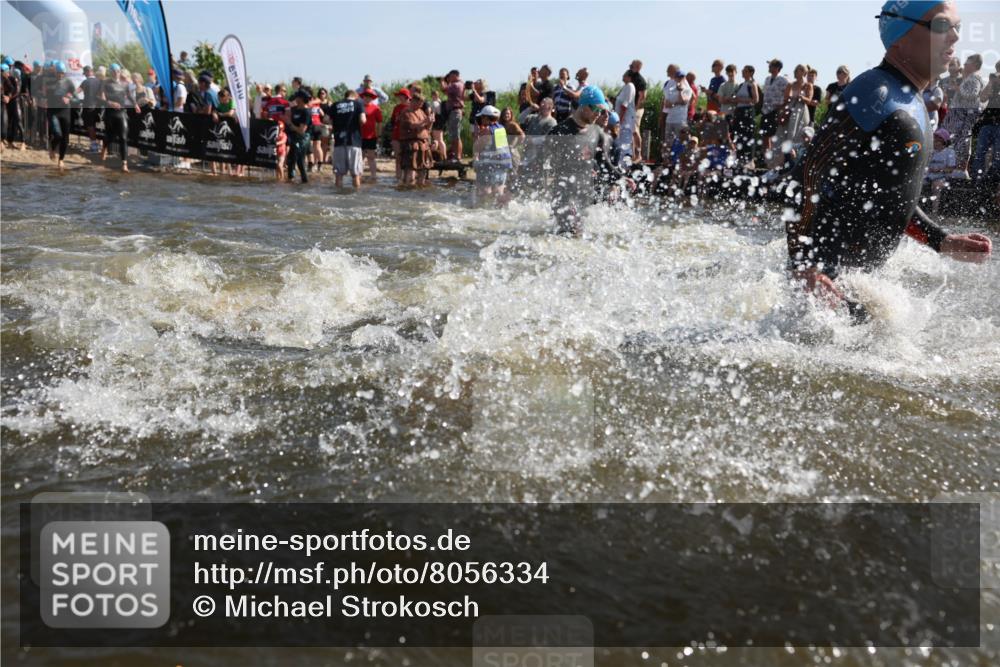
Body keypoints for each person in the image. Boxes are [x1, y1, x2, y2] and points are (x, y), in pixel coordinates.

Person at [786, 0, 991, 322]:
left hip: (861, 287)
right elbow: (804, 176)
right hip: (823, 292)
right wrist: (805, 267)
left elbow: (891, 198)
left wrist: (941, 240)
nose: (954, 37)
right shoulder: (874, 93)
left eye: (957, 27)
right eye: (941, 26)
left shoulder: (913, 102)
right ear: (900, 35)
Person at [544, 85, 629, 235]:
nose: (599, 114)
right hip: (564, 195)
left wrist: (621, 178)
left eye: (602, 111)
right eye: (596, 109)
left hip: (583, 195)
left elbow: (606, 162)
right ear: (584, 106)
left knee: (580, 238)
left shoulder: (595, 133)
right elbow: (543, 162)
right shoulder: (559, 132)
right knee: (570, 233)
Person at [942, 54, 985, 176]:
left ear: (975, 65)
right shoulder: (967, 78)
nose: (965, 64)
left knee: (963, 140)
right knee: (955, 140)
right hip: (958, 113)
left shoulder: (975, 78)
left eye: (968, 61)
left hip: (966, 114)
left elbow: (972, 94)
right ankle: (954, 168)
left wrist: (957, 88)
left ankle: (961, 170)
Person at [772, 64, 813, 167]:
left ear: (804, 72)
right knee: (784, 134)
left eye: (799, 70)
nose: (797, 72)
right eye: (796, 70)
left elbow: (809, 100)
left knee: (798, 134)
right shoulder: (791, 84)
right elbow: (786, 99)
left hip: (801, 110)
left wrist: (802, 97)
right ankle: (782, 161)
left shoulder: (808, 85)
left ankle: (795, 160)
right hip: (790, 110)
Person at [473, 105, 513, 204]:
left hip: (489, 168)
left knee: (483, 195)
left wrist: (477, 135)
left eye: (482, 117)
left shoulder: (486, 131)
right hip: (502, 168)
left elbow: (477, 147)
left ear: (486, 118)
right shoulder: (501, 128)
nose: (481, 119)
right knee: (498, 194)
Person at [330, 89, 366, 190]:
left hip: (339, 142)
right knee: (356, 173)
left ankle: (337, 196)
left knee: (339, 174)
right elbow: (363, 120)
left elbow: (326, 119)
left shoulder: (335, 104)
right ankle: (357, 196)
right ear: (355, 96)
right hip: (354, 141)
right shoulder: (358, 104)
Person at [970, 61, 1000, 183]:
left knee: (998, 155)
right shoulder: (993, 83)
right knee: (979, 153)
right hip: (987, 122)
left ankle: (994, 179)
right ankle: (978, 179)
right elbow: (982, 98)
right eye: (998, 68)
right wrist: (991, 82)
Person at [398, 86, 434, 187]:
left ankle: (419, 191)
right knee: (410, 171)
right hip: (411, 145)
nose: (421, 105)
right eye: (419, 103)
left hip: (423, 145)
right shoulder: (406, 112)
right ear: (413, 101)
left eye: (422, 103)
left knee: (423, 170)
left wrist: (430, 122)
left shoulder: (421, 111)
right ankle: (407, 190)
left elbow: (427, 128)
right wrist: (425, 121)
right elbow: (413, 126)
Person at [45, 61, 74, 170]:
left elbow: (73, 92)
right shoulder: (50, 82)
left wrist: (69, 96)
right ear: (55, 72)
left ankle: (61, 159)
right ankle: (52, 148)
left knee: (65, 138)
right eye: (59, 73)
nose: (60, 75)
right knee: (58, 134)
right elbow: (48, 95)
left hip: (65, 111)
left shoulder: (69, 82)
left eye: (62, 73)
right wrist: (60, 97)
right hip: (53, 111)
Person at [660, 67, 692, 162]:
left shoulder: (687, 89)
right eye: (678, 77)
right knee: (668, 143)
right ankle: (666, 161)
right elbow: (666, 103)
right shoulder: (670, 88)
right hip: (670, 119)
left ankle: (680, 161)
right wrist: (674, 103)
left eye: (681, 77)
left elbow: (684, 101)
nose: (679, 79)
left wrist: (680, 91)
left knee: (681, 142)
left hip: (680, 120)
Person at [761, 59, 789, 162]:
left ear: (777, 68)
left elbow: (788, 96)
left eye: (771, 65)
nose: (769, 67)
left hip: (775, 111)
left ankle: (775, 160)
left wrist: (781, 107)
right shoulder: (767, 79)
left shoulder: (783, 80)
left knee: (774, 136)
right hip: (765, 110)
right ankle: (766, 160)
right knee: (764, 136)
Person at [926, 128, 957, 213]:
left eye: (937, 139)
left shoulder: (949, 152)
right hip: (928, 176)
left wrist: (939, 170)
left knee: (936, 186)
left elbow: (951, 169)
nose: (934, 140)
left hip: (943, 177)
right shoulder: (930, 151)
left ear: (943, 141)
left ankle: (934, 212)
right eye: (934, 138)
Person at [285, 90, 312, 183]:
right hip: (294, 137)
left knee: (300, 161)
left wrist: (289, 124)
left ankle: (305, 182)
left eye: (297, 97)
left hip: (303, 138)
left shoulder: (306, 112)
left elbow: (302, 130)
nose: (295, 98)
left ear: (300, 99)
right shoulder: (295, 109)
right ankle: (290, 180)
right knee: (291, 159)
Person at [440, 70, 465, 160]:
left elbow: (444, 90)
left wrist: (442, 81)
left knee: (456, 135)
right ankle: (456, 155)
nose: (449, 79)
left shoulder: (456, 85)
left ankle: (457, 156)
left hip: (455, 111)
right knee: (455, 135)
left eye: (450, 76)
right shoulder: (461, 84)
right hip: (455, 111)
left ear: (454, 75)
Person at [78, 65, 103, 153]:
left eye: (85, 73)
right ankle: (98, 145)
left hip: (88, 107)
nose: (84, 75)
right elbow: (102, 95)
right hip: (98, 107)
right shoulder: (99, 81)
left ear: (88, 72)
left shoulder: (85, 82)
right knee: (97, 127)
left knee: (90, 126)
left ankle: (94, 146)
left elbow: (77, 91)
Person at [614, 70, 636, 165]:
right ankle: (620, 163)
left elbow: (625, 105)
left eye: (625, 75)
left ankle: (625, 165)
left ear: (629, 77)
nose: (623, 76)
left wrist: (620, 119)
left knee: (625, 142)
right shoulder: (626, 87)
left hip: (625, 120)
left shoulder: (630, 86)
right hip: (623, 119)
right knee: (621, 142)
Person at [389, 88, 410, 180]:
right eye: (399, 96)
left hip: (407, 136)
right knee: (398, 157)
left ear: (406, 96)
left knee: (407, 157)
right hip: (396, 135)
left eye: (400, 95)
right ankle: (398, 177)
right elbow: (392, 121)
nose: (399, 97)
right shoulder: (396, 108)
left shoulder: (411, 107)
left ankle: (408, 177)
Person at [629, 60, 647, 160]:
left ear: (638, 67)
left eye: (632, 66)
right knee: (631, 130)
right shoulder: (631, 77)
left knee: (635, 130)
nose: (630, 67)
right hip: (631, 108)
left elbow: (643, 96)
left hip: (637, 109)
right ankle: (632, 154)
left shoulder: (640, 80)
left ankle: (638, 154)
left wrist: (636, 108)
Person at [429, 90, 447, 161]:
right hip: (441, 123)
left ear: (434, 95)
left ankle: (441, 156)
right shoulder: (441, 102)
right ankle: (443, 156)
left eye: (432, 95)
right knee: (440, 140)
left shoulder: (434, 103)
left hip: (437, 123)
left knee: (437, 140)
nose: (432, 97)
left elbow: (433, 114)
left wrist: (430, 125)